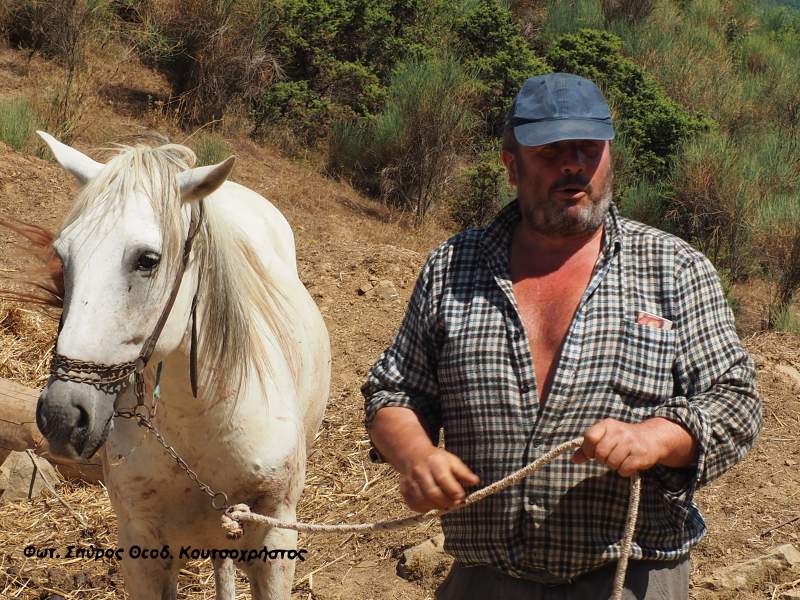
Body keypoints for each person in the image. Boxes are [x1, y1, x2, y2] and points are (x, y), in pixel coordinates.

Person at [361, 72, 762, 599]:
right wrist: (415, 456)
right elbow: (395, 393)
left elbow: (736, 404)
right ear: (512, 165)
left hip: (629, 580)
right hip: (484, 581)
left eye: (588, 148)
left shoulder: (674, 268)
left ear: (609, 155)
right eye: (551, 150)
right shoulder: (452, 268)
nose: (573, 163)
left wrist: (655, 436)